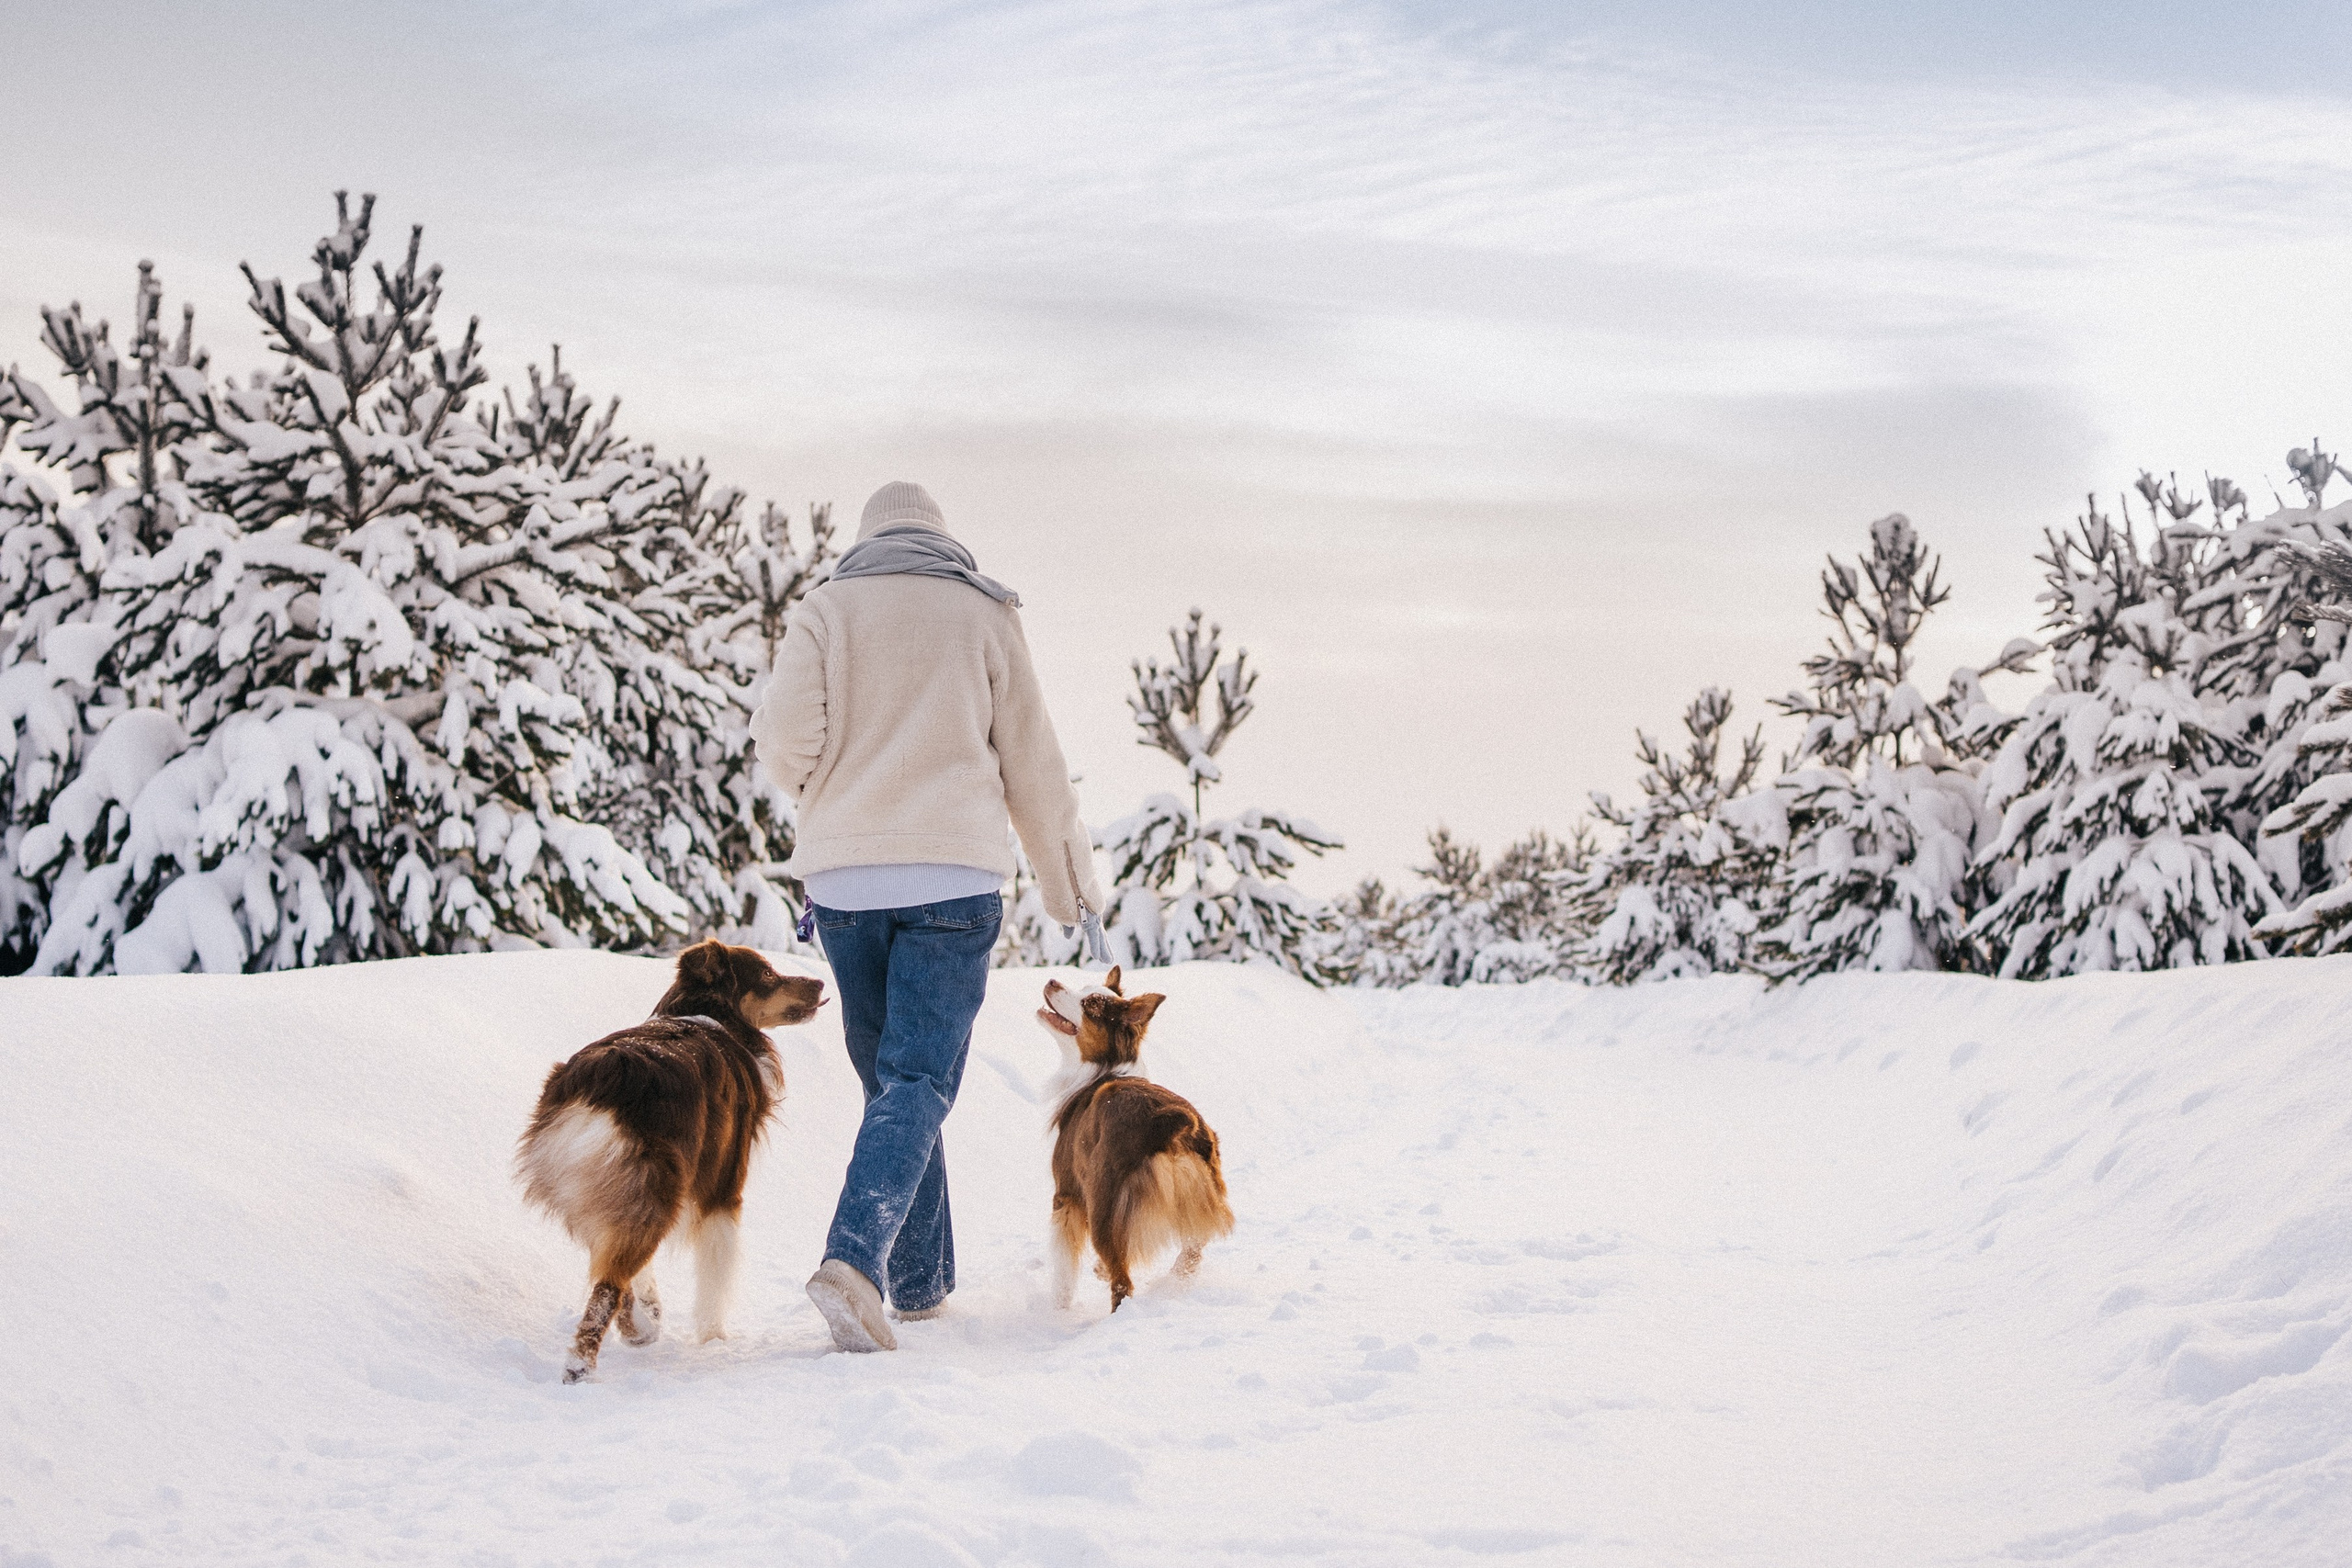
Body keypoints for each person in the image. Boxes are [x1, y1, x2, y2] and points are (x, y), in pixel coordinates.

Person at [750, 479, 1106, 1352]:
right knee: (917, 1080)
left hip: (845, 884)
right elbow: (1035, 763)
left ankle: (918, 1281)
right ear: (942, 539)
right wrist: (1074, 896)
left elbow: (782, 741)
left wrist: (833, 798)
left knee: (893, 1081)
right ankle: (854, 1261)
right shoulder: (983, 613)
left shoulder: (826, 611)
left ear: (866, 538)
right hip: (952, 876)